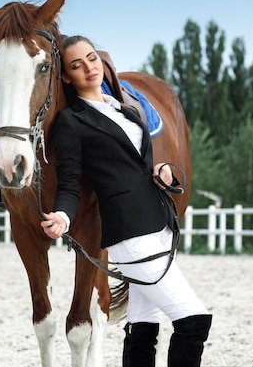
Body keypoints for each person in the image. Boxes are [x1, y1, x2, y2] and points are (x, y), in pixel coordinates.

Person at [40, 35, 212, 367]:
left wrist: (160, 171)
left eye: (91, 58)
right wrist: (62, 215)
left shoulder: (123, 109)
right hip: (130, 234)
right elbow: (71, 181)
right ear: (65, 76)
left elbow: (136, 165)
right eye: (76, 65)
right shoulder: (71, 122)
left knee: (143, 326)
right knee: (193, 320)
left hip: (157, 223)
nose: (88, 67)